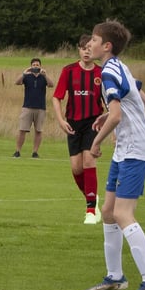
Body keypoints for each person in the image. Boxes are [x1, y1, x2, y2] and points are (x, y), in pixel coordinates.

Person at [85, 20, 145, 290]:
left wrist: (95, 142)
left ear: (106, 45)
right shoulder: (120, 66)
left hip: (135, 149)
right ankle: (116, 277)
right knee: (108, 210)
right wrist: (108, 114)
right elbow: (142, 100)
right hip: (126, 150)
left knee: (122, 213)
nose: (89, 45)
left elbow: (120, 113)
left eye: (94, 40)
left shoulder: (108, 72)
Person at [52, 35, 104, 225]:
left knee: (89, 160)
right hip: (73, 123)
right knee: (76, 167)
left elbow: (111, 104)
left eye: (90, 48)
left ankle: (90, 210)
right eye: (83, 48)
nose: (86, 51)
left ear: (95, 50)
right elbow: (56, 97)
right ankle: (92, 197)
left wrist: (112, 129)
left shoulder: (101, 73)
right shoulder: (69, 71)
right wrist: (60, 120)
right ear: (79, 50)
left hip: (93, 122)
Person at [13, 58, 54, 158]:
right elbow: (17, 82)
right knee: (22, 130)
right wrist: (24, 73)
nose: (36, 66)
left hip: (40, 108)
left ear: (40, 66)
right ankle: (17, 151)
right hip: (27, 107)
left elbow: (51, 85)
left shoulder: (43, 77)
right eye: (34, 65)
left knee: (38, 131)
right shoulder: (27, 77)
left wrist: (45, 75)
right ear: (31, 66)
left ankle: (35, 152)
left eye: (37, 65)